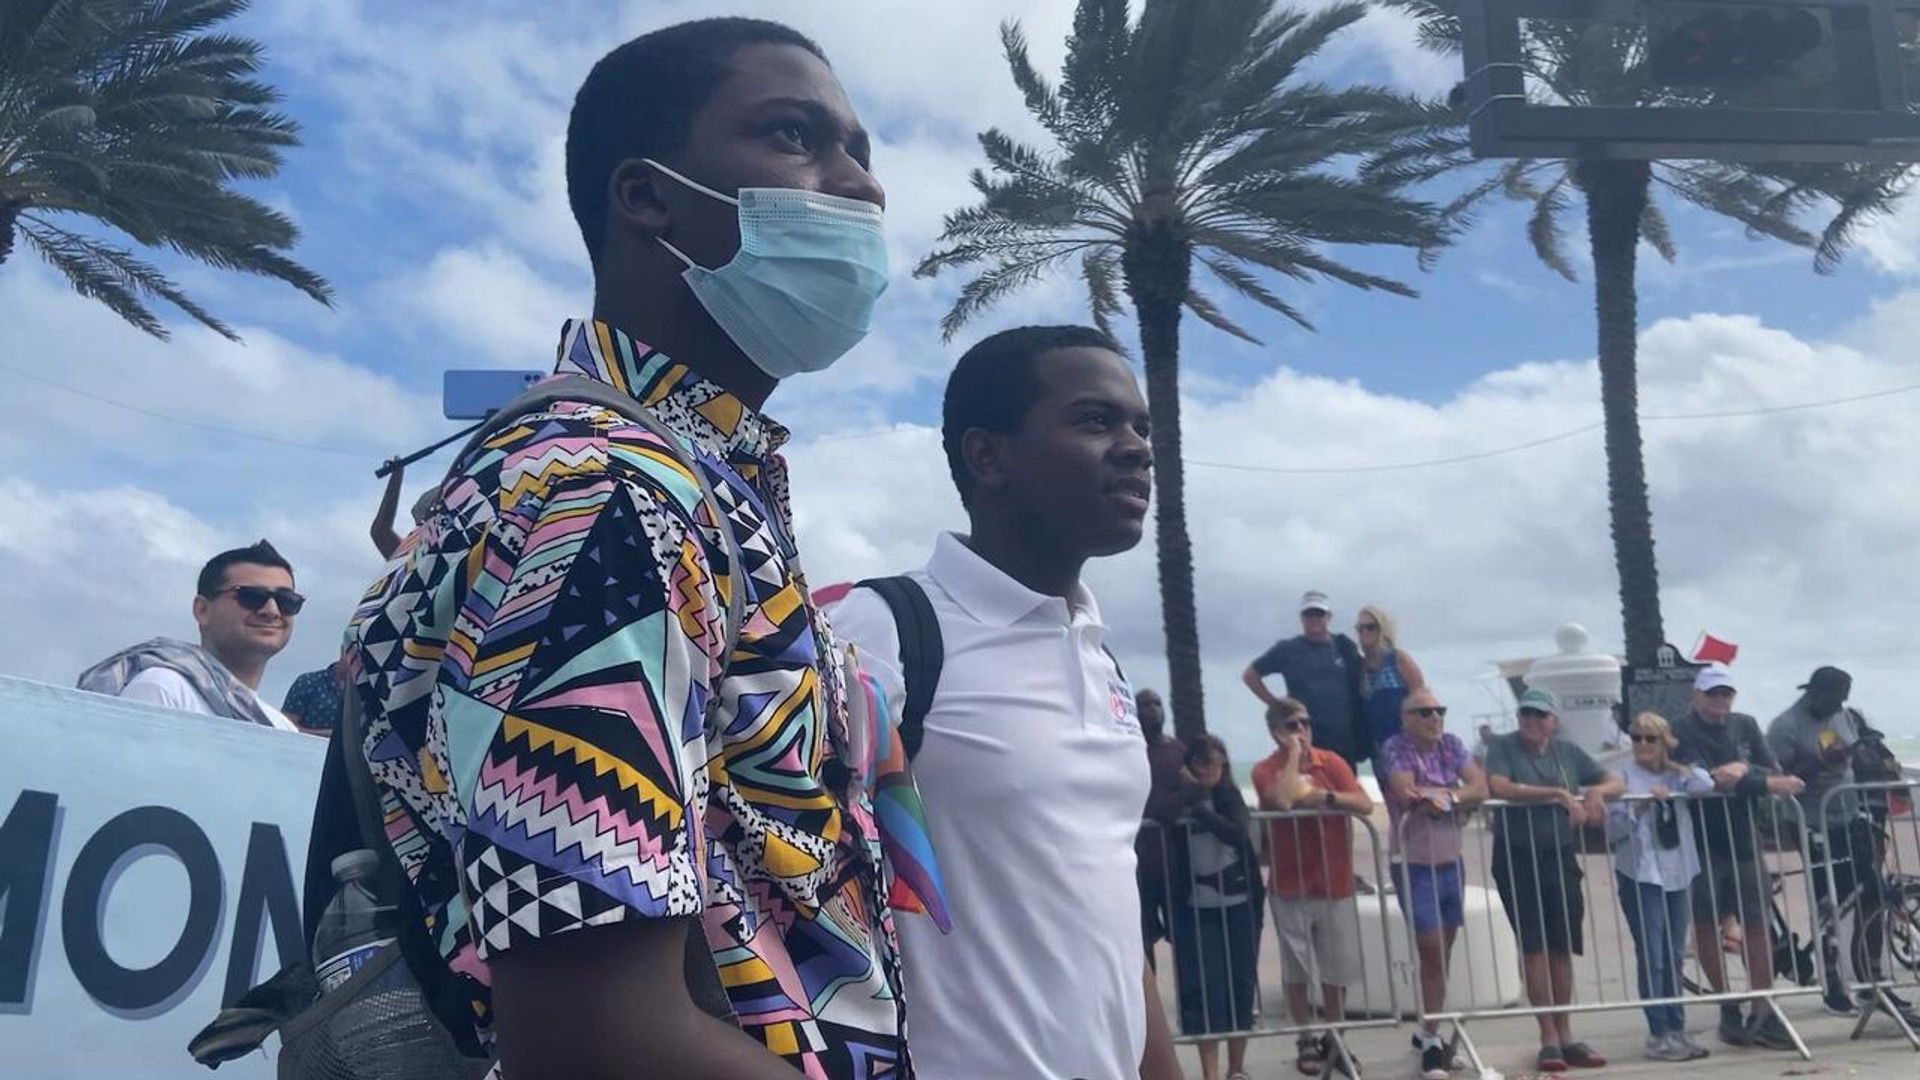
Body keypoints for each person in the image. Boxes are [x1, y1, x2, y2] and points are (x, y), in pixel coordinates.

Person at [338, 20, 905, 1077]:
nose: (863, 187)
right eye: (796, 136)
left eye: (861, 153)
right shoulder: (611, 497)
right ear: (647, 197)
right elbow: (594, 1040)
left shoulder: (672, 479)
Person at [831, 325, 1182, 1079]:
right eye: (1096, 421)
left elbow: (1108, 918)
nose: (1136, 448)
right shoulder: (884, 631)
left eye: (1142, 428)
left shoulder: (1098, 653)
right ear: (988, 456)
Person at [1482, 688, 1623, 1074]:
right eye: (1526, 714)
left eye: (1539, 715)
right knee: (1534, 948)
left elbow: (1615, 781)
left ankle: (1565, 1032)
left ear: (1552, 721)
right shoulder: (1503, 747)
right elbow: (1500, 786)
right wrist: (1558, 793)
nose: (1531, 721)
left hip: (1559, 855)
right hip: (1517, 855)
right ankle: (1546, 1034)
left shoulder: (1568, 751)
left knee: (1561, 946)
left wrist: (1596, 792)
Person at [1769, 666, 1920, 1026]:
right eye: (1835, 698)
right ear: (1815, 692)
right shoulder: (1786, 726)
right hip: (1810, 820)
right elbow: (1777, 778)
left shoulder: (1843, 716)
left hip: (1849, 812)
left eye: (1844, 698)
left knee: (1873, 893)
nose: (1840, 704)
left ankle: (1873, 980)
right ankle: (1832, 982)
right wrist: (1820, 762)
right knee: (1827, 902)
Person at [1669, 662, 1802, 1049]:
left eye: (1726, 693)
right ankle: (1726, 1002)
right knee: (1706, 923)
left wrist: (1743, 769)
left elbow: (1770, 768)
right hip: (1701, 842)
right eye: (1713, 693)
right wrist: (1755, 781)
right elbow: (1699, 779)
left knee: (1757, 922)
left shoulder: (1745, 724)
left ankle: (1763, 1006)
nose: (1720, 700)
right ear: (1697, 695)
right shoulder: (1681, 729)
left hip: (1744, 839)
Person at [1251, 698, 1372, 1078]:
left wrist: (1326, 797)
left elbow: (1364, 803)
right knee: (1297, 970)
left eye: (1305, 723)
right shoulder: (1265, 769)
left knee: (1336, 969)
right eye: (1292, 725)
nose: (1302, 730)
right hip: (1291, 886)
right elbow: (1283, 799)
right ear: (1276, 731)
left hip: (1335, 883)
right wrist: (1292, 756)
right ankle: (1305, 1037)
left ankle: (1335, 1036)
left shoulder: (1331, 762)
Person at [78, 540, 300, 731]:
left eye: (287, 601)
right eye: (252, 596)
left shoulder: (280, 727)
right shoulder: (163, 688)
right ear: (202, 610)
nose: (271, 611)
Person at [1378, 687, 1485, 1080]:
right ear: (1406, 718)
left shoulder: (1452, 743)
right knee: (1431, 949)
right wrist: (1451, 796)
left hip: (1450, 860)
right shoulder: (1396, 747)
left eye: (1439, 710)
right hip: (1414, 863)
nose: (1434, 717)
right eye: (1424, 712)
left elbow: (1480, 786)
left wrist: (1445, 797)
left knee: (1445, 950)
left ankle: (1429, 1028)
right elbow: (1406, 791)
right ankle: (1431, 1039)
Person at [1607, 712, 1715, 1063]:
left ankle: (1676, 1027)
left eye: (1651, 738)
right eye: (1637, 737)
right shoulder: (1622, 776)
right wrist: (1639, 805)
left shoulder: (1676, 774)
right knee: (1652, 955)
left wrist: (1678, 763)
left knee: (1673, 952)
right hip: (1641, 874)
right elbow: (1611, 830)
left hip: (1677, 871)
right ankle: (1658, 1032)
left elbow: (1705, 784)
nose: (1642, 744)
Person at [1164, 734, 1263, 1080]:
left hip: (1238, 905)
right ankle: (1211, 1073)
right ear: (1189, 767)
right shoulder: (1180, 799)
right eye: (1202, 764)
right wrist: (1190, 795)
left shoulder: (1230, 797)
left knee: (1241, 986)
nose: (1210, 770)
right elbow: (1159, 814)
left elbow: (1235, 832)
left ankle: (1236, 1068)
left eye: (1217, 764)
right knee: (1206, 991)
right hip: (1197, 908)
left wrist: (1201, 808)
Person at [1243, 591, 1367, 768]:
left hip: (1343, 739)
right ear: (1301, 617)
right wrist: (1275, 704)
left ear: (1329, 616)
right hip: (1304, 736)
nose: (1314, 618)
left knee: (1346, 784)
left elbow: (1365, 674)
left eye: (1319, 613)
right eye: (1308, 613)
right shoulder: (1287, 649)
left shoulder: (1344, 646)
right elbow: (1250, 675)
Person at [1139, 687, 1190, 958]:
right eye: (1146, 705)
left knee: (1182, 938)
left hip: (1174, 863)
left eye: (1157, 704)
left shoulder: (1178, 750)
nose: (1153, 710)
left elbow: (1190, 794)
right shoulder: (1132, 751)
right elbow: (1152, 806)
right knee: (1142, 942)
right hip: (1140, 864)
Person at [1355, 605, 1425, 775]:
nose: (1365, 632)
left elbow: (1422, 699)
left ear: (1382, 629)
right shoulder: (1360, 668)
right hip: (1379, 749)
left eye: (1370, 627)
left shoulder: (1398, 659)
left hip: (1407, 745)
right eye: (1360, 628)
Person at [280, 655, 346, 736]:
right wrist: (327, 735)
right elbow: (285, 727)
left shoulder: (360, 693)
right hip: (301, 743)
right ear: (343, 651)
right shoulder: (308, 682)